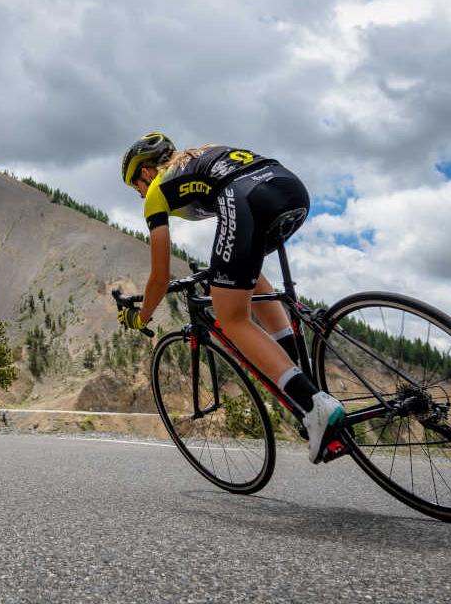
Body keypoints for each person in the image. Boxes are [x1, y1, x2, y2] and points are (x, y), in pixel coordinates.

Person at [117, 132, 344, 452]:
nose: (140, 195)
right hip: (289, 186)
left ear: (145, 172)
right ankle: (302, 382)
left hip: (245, 198)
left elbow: (160, 276)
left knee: (231, 318)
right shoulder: (202, 154)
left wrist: (142, 318)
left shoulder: (157, 189)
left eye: (135, 187)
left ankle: (315, 404)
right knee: (245, 279)